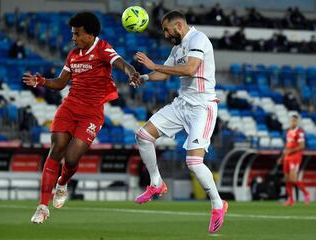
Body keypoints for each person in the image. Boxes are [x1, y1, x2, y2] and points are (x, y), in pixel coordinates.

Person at [22, 12, 139, 224]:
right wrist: (40, 80)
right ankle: (42, 206)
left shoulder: (102, 48)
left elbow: (121, 63)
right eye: (72, 34)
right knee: (57, 148)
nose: (73, 38)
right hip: (69, 107)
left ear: (90, 34)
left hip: (92, 113)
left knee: (72, 158)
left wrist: (131, 73)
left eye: (77, 34)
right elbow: (59, 83)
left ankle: (63, 183)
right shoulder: (73, 55)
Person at [131, 10, 227, 234]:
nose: (165, 34)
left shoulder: (198, 39)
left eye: (166, 29)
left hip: (202, 107)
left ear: (178, 26)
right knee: (143, 136)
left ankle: (217, 204)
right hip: (182, 104)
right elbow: (164, 74)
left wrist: (153, 66)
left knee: (193, 162)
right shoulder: (177, 47)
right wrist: (144, 77)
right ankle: (156, 183)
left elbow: (190, 69)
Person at [277, 114, 310, 206]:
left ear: (297, 122)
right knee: (287, 179)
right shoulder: (288, 132)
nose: (293, 122)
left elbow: (302, 146)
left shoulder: (300, 132)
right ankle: (291, 199)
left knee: (293, 179)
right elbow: (287, 146)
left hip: (295, 157)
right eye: (292, 121)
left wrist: (291, 151)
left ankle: (306, 193)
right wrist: (282, 157)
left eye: (295, 121)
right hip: (287, 157)